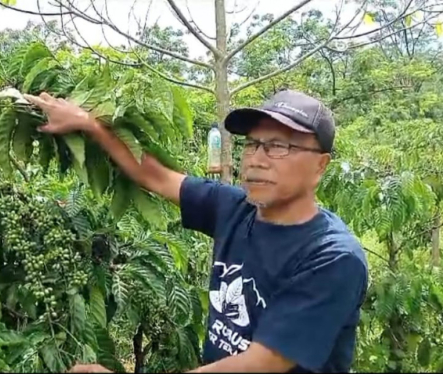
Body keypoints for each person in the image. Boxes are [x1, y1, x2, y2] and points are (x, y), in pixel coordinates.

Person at [24, 89, 368, 374]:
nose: (257, 159)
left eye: (279, 146)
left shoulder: (333, 258)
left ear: (320, 166)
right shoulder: (234, 208)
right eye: (252, 144)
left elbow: (261, 363)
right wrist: (90, 125)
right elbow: (155, 176)